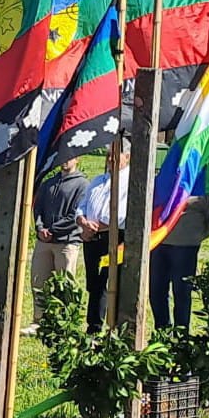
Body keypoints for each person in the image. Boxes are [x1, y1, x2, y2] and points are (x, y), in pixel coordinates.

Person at [27, 158, 88, 336]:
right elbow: (37, 209)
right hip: (44, 242)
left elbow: (76, 214)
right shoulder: (49, 183)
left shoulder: (82, 185)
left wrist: (53, 230)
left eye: (69, 157)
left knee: (65, 284)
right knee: (38, 280)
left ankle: (64, 323)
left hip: (67, 242)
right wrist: (40, 229)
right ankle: (39, 321)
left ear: (77, 159)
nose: (65, 160)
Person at [76, 141, 130, 333]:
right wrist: (83, 222)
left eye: (115, 155)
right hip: (91, 238)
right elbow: (82, 205)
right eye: (108, 155)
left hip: (114, 237)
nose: (110, 159)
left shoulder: (129, 181)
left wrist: (100, 226)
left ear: (127, 157)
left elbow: (124, 214)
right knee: (94, 284)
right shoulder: (98, 180)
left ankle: (109, 326)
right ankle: (93, 325)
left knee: (108, 282)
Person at [149, 195, 209, 329]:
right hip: (158, 243)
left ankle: (182, 333)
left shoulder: (202, 187)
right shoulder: (165, 181)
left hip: (186, 246)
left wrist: (196, 236)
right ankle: (162, 330)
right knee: (156, 290)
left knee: (181, 291)